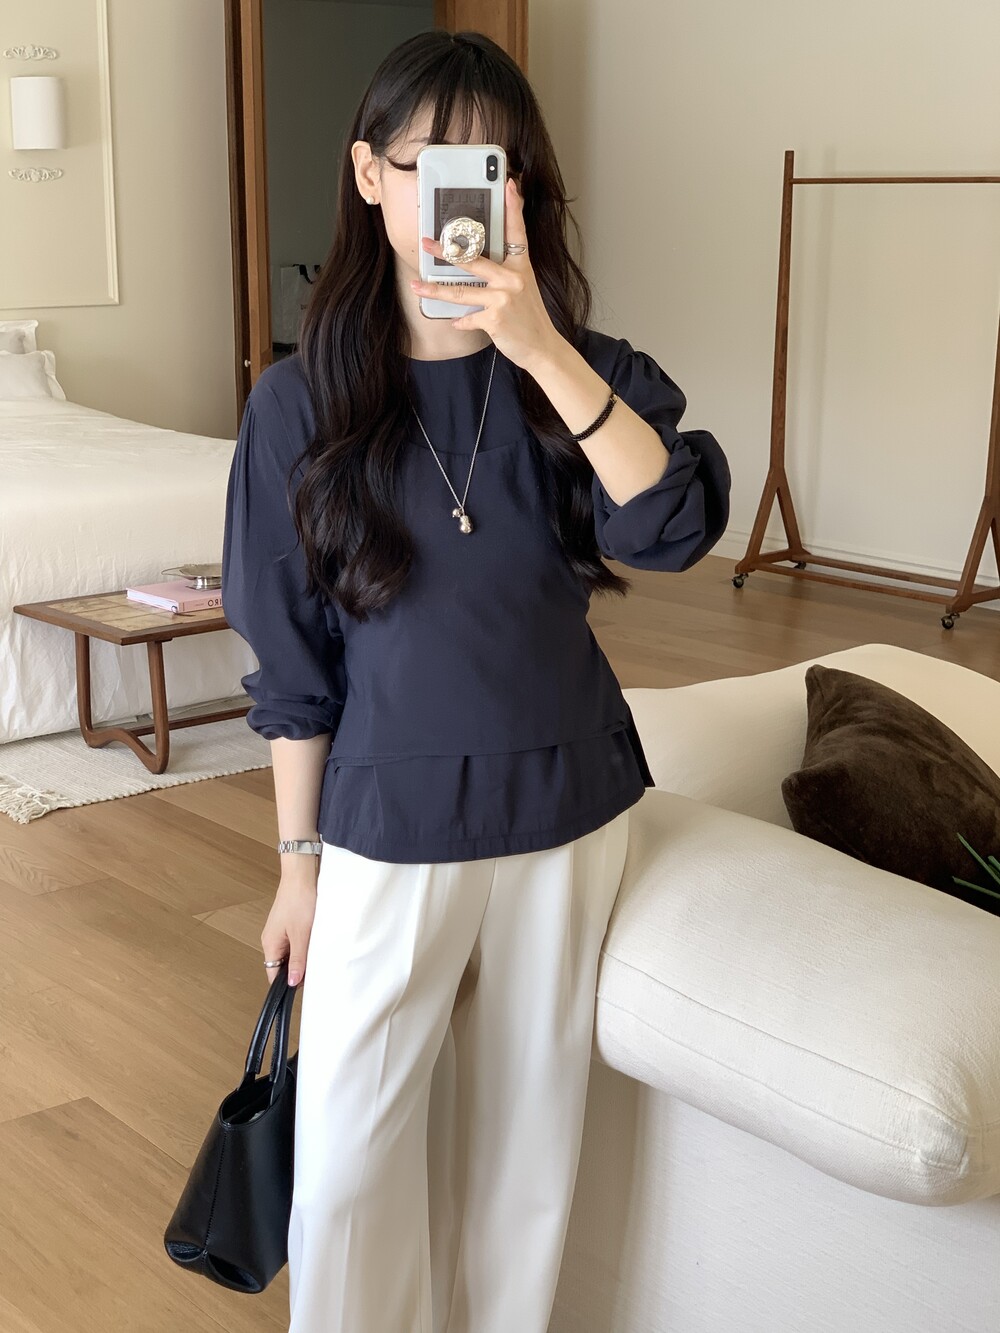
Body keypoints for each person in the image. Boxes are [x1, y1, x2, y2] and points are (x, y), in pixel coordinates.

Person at [221, 27, 731, 1333]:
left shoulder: (583, 370)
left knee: (528, 1141)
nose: (457, 194)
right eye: (425, 163)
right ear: (370, 179)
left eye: (487, 168)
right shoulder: (298, 404)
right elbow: (292, 663)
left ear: (518, 190)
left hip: (570, 799)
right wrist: (296, 864)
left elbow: (670, 528)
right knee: (350, 1157)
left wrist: (541, 346)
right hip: (389, 813)